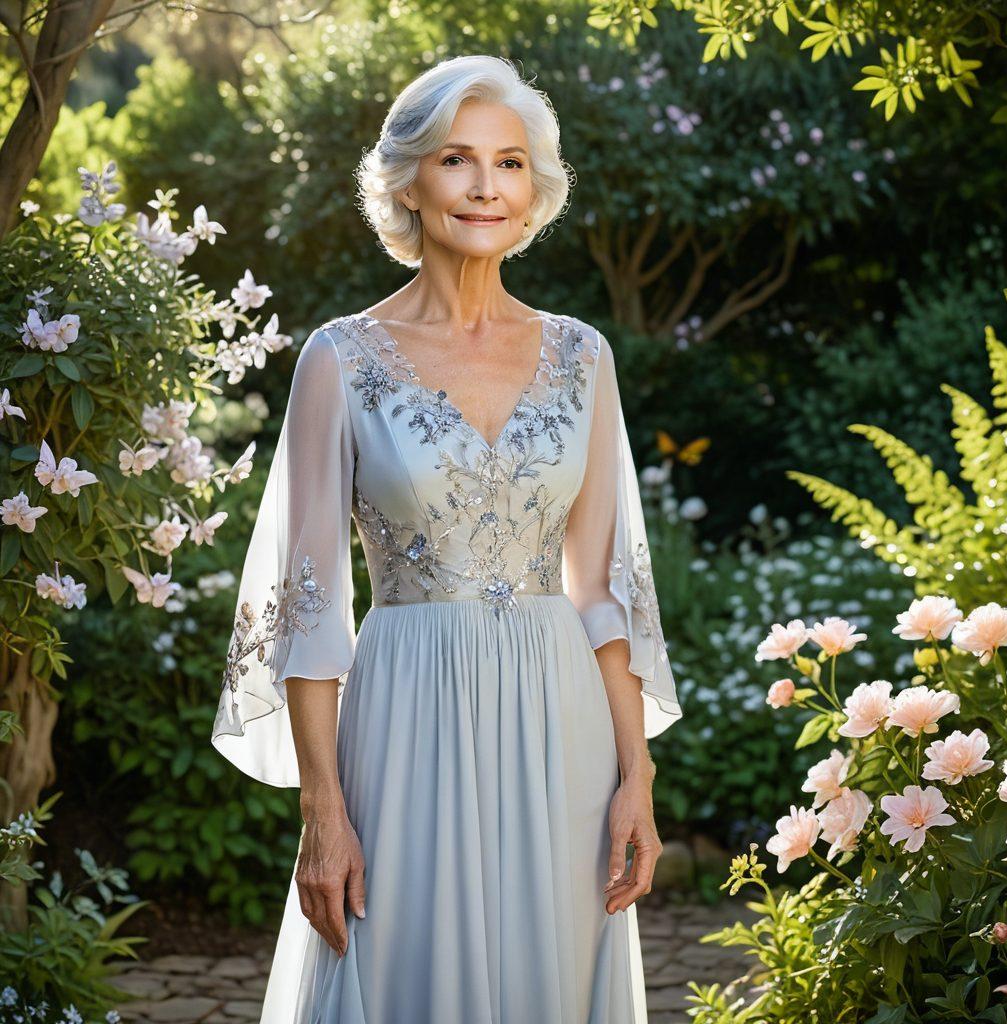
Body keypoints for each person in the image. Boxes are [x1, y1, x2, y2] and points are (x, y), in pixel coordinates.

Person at [211, 53, 683, 1023]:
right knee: (399, 975)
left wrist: (636, 776)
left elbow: (606, 591)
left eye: (509, 164)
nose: (483, 187)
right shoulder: (338, 361)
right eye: (457, 160)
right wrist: (322, 808)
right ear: (409, 182)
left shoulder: (582, 356)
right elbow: (309, 606)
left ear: (533, 190)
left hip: (563, 720)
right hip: (405, 713)